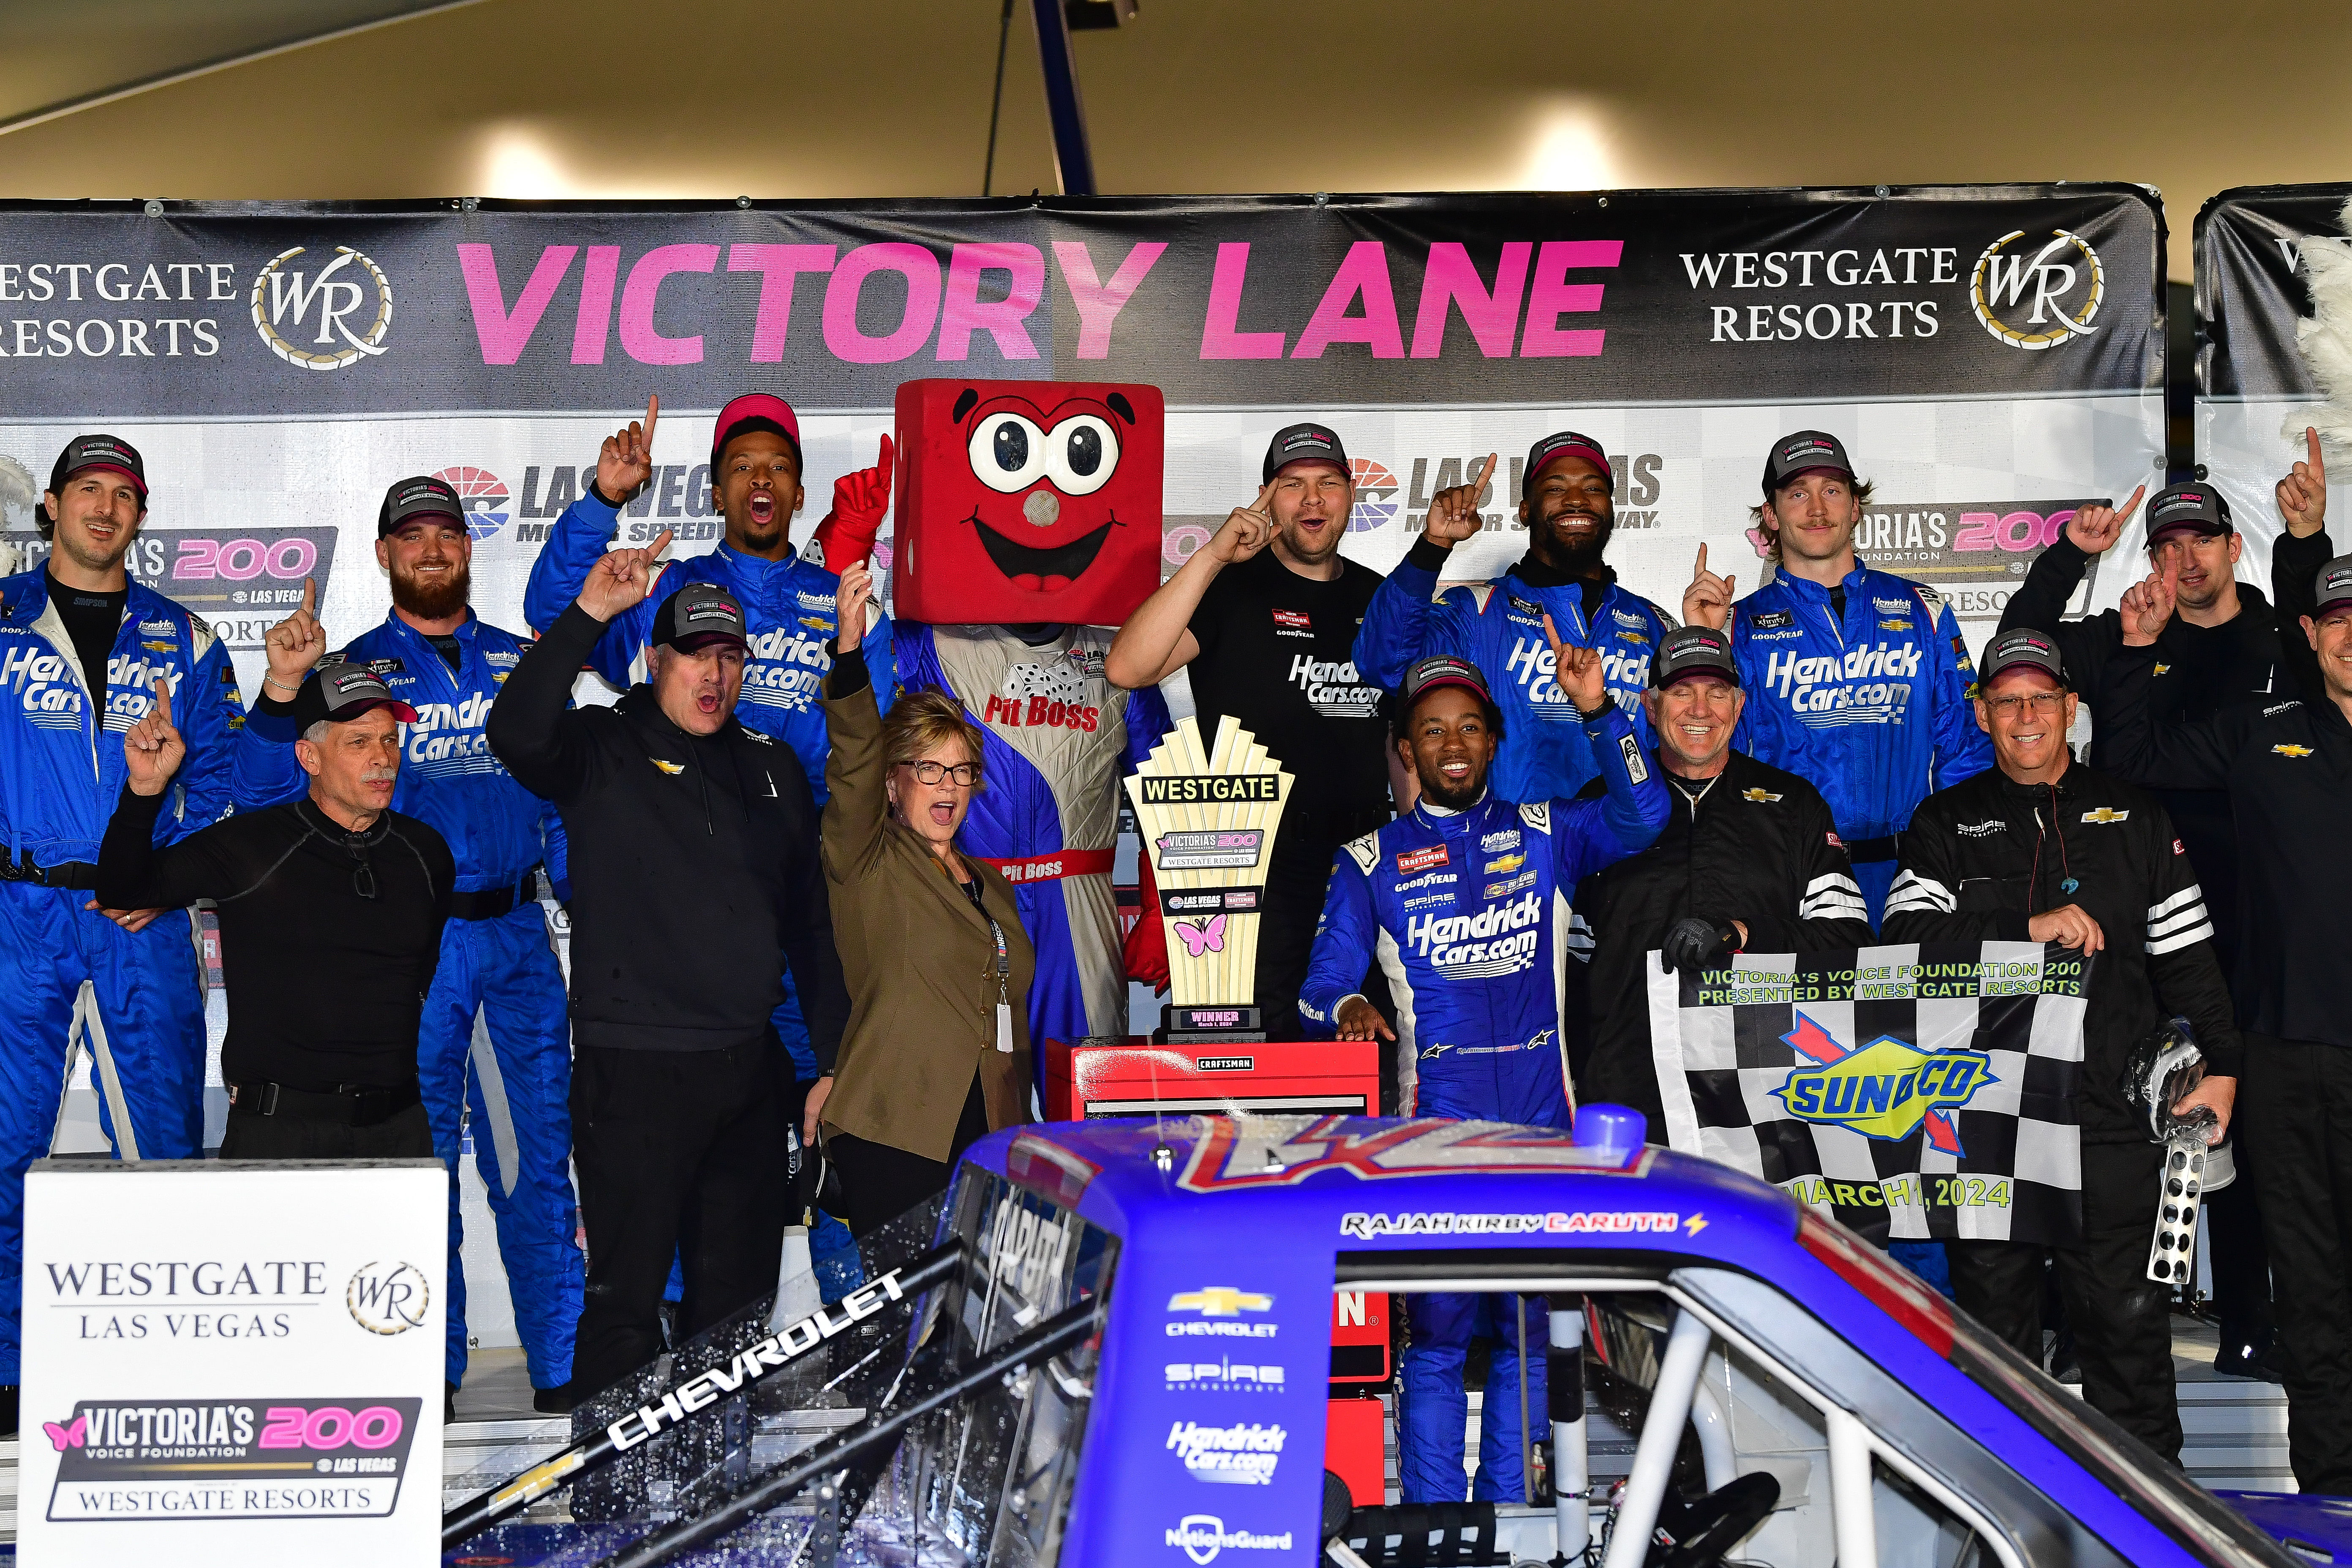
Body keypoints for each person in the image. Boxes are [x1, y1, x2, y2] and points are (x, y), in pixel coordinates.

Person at [235, 476, 581, 1412]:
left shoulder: (523, 662)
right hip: (404, 951)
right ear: (385, 553)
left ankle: (562, 1369)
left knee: (534, 1159)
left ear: (470, 548)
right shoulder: (346, 673)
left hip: (515, 937)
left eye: (448, 534)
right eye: (412, 536)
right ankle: (424, 1368)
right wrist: (281, 685)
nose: (432, 549)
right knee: (413, 1166)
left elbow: (562, 808)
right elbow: (264, 797)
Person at [1299, 641, 1668, 1506]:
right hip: (1434, 1134)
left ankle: (1510, 1517)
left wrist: (1601, 711)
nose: (1453, 743)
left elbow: (1646, 813)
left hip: (1543, 1125)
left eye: (1470, 726)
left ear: (1495, 740)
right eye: (1432, 731)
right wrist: (1347, 1010)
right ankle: (1432, 1522)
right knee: (1435, 1337)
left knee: (1530, 1337)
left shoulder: (1550, 832)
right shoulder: (1368, 859)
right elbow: (1318, 986)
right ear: (1407, 750)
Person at [488, 553, 849, 1402]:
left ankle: (707, 1493)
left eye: (730, 656)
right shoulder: (601, 743)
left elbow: (809, 926)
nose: (714, 673)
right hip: (634, 1071)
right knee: (624, 1299)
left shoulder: (774, 767)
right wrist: (585, 614)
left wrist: (829, 1060)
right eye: (695, 655)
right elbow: (514, 731)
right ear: (655, 658)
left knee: (735, 1306)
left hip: (748, 1073)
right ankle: (608, 1512)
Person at [1881, 627, 2238, 1461]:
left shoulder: (2136, 815)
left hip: (2109, 1121)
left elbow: (2189, 961)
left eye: (2043, 696)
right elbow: (1897, 945)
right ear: (1982, 714)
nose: (2027, 714)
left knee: (2129, 1347)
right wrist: (2019, 927)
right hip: (1983, 1123)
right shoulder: (1943, 819)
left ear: (2071, 708)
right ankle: (1999, 1532)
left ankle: (2155, 1542)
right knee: (1995, 1358)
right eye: (2008, 700)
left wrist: (2220, 1067)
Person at [1998, 474, 2284, 1379]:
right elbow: (2017, 637)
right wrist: (2074, 554)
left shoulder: (2278, 634)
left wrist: (2312, 542)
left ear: (2235, 547)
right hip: (2120, 908)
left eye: (2200, 540)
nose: (2183, 559)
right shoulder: (2114, 631)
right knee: (2092, 1110)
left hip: (2247, 914)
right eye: (2165, 545)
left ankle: (2249, 1317)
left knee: (2240, 1107)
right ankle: (2082, 1322)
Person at [522, 394, 887, 1086]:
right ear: (716, 491)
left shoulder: (847, 602)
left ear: (798, 490)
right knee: (706, 1107)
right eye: (743, 466)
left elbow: (874, 747)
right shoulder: (671, 587)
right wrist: (604, 501)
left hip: (813, 894)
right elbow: (551, 610)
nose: (760, 479)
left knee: (830, 1101)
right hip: (692, 896)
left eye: (778, 467)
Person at [2095, 508, 2352, 1492]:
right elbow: (2131, 760)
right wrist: (2132, 651)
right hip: (2284, 1052)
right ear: (2307, 633)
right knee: (2311, 1283)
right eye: (2332, 620)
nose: (2347, 635)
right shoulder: (2261, 729)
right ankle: (2332, 1497)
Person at [0, 435, 245, 1435]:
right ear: (51, 505)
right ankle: (11, 1374)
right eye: (87, 491)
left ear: (141, 516)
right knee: (7, 1147)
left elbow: (227, 782)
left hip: (139, 921)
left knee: (165, 1146)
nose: (104, 510)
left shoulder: (185, 639)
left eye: (124, 496)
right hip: (18, 913)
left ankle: (167, 1366)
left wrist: (165, 872)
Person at [98, 663, 452, 1163]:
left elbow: (420, 975)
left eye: (390, 741)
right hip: (278, 1134)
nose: (383, 759)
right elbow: (122, 888)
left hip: (399, 1132)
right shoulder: (252, 845)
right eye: (359, 743)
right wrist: (144, 791)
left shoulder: (426, 853)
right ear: (309, 756)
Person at [1105, 421, 1390, 1039]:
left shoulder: (1381, 597)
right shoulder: (1230, 586)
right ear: (1266, 497)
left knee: (1364, 1042)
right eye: (1293, 485)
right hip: (1252, 867)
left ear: (1351, 496)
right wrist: (1210, 557)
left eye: (1328, 484)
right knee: (1257, 1047)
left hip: (1364, 860)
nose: (1312, 500)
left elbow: (1405, 741)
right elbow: (1127, 666)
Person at [1682, 429, 1990, 925]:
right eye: (1798, 493)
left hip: (1912, 875)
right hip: (1787, 874)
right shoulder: (1736, 626)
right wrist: (1700, 640)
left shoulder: (1923, 611)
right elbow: (1705, 760)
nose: (1817, 508)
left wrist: (1969, 857)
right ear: (1771, 515)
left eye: (1832, 490)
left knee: (1909, 1005)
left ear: (1856, 507)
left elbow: (1966, 748)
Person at [816, 561, 1036, 1236]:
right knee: (910, 1324)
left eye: (961, 770)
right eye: (927, 768)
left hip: (991, 1136)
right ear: (893, 784)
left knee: (972, 1325)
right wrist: (850, 655)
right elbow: (853, 759)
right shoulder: (869, 859)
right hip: (897, 1130)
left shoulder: (992, 886)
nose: (948, 786)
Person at [1572, 625, 1873, 1115]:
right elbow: (1566, 964)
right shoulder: (1598, 806)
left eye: (1717, 693)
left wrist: (1742, 933)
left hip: (1765, 1095)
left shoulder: (1795, 806)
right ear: (1650, 707)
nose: (1700, 710)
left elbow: (1850, 942)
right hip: (1630, 1091)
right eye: (1681, 692)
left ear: (1738, 707)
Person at [1356, 430, 1673, 803]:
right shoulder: (1475, 610)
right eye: (1556, 489)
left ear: (1611, 508)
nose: (1576, 500)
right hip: (1508, 855)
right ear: (1525, 510)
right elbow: (1386, 666)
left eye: (1593, 489)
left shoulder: (1654, 624)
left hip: (1625, 851)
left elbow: (1680, 751)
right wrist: (1433, 547)